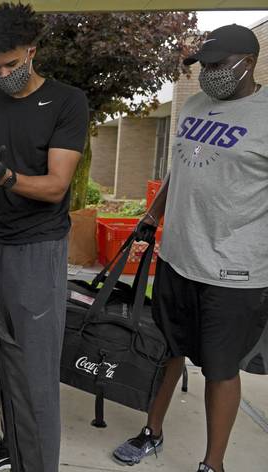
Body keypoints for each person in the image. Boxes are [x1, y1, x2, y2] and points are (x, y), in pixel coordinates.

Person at [112, 24, 268, 472]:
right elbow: (179, 169)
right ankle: (152, 431)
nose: (209, 74)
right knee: (165, 352)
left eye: (218, 66)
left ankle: (212, 464)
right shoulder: (197, 105)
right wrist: (152, 217)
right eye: (204, 65)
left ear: (248, 62)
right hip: (178, 258)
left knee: (220, 369)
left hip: (235, 272)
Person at [0, 3, 89, 472]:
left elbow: (57, 185)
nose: (3, 74)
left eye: (11, 64)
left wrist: (8, 178)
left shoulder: (66, 101)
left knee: (33, 374)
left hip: (39, 250)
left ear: (32, 51)